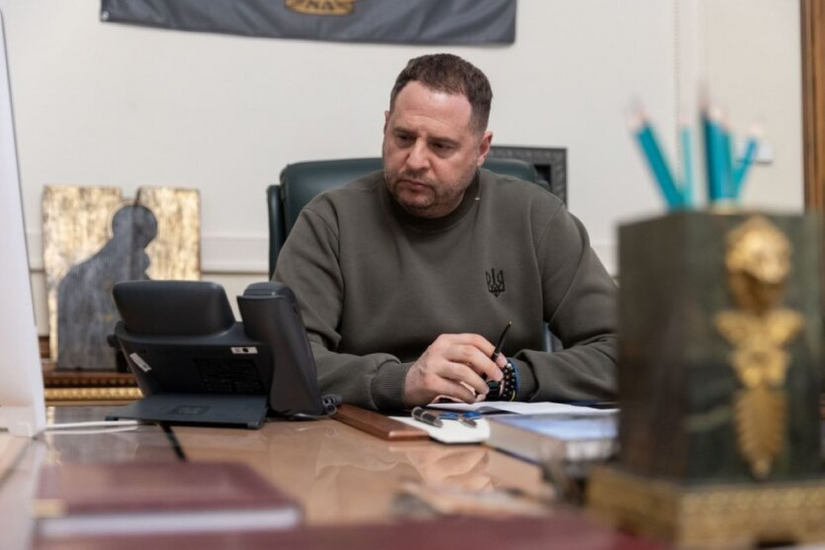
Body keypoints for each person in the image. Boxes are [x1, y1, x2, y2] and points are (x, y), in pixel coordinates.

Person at [274, 53, 617, 411]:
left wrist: (513, 378)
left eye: (441, 146)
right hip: (365, 442)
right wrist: (401, 381)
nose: (416, 160)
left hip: (497, 442)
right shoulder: (330, 220)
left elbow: (630, 355)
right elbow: (284, 362)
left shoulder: (535, 217)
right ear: (385, 125)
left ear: (481, 149)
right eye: (403, 137)